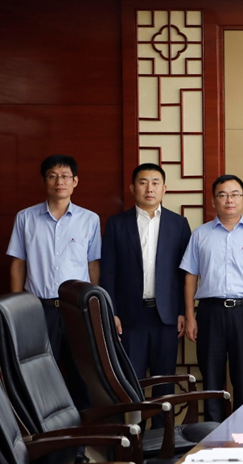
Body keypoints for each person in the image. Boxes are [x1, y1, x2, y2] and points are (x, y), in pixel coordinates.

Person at [7, 154, 100, 411]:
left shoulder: (90, 220)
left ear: (75, 181)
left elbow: (93, 265)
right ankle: (45, 443)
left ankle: (82, 444)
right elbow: (18, 263)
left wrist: (94, 306)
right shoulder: (26, 218)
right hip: (38, 309)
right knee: (37, 377)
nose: (59, 181)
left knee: (81, 375)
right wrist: (17, 310)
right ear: (45, 181)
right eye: (52, 176)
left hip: (76, 309)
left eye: (65, 176)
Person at [101, 163, 192, 416]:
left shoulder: (179, 224)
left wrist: (184, 311)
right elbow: (108, 272)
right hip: (130, 317)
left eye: (155, 182)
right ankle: (134, 440)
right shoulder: (117, 224)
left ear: (164, 189)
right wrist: (112, 313)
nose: (149, 188)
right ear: (132, 188)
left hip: (166, 317)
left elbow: (185, 275)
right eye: (143, 182)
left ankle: (164, 443)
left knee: (165, 384)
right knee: (132, 382)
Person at [181, 175, 243, 421]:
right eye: (222, 195)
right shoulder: (200, 235)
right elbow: (190, 277)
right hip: (210, 312)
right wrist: (190, 316)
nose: (229, 200)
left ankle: (242, 433)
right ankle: (212, 438)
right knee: (211, 380)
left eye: (235, 194)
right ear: (213, 201)